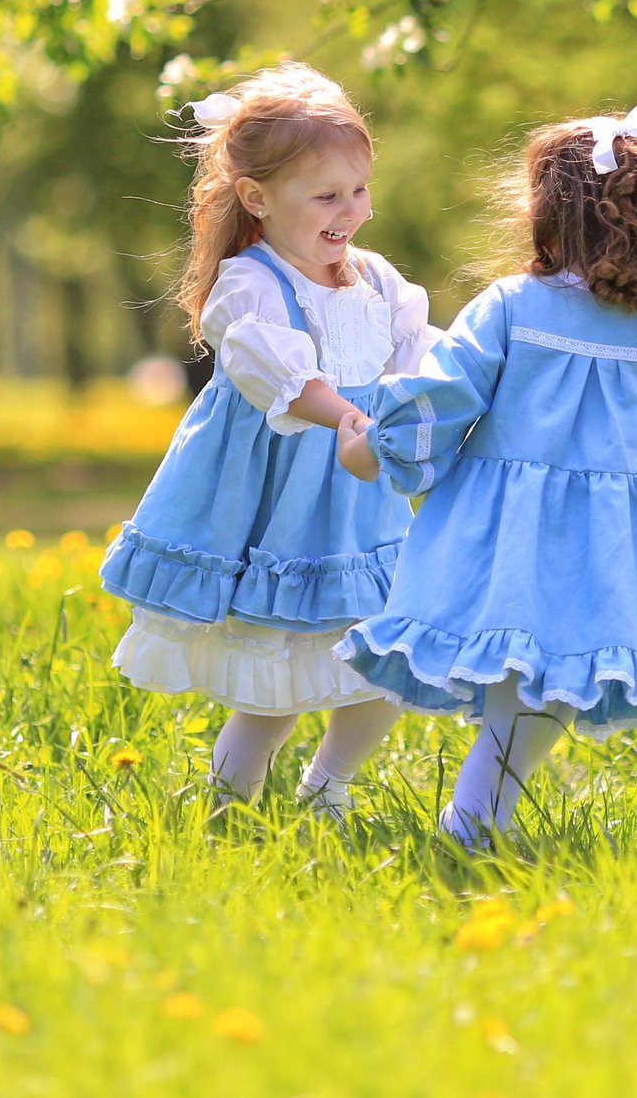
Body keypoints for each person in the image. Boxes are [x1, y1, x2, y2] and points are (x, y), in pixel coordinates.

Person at [336, 101, 637, 844]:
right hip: (610, 533)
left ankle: (470, 821)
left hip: (504, 522)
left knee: (516, 666)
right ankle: (475, 818)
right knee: (555, 678)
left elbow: (446, 395)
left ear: (547, 213)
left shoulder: (511, 303)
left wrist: (375, 444)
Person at [99, 63, 438, 814]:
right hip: (276, 503)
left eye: (358, 188)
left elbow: (420, 359)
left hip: (360, 502)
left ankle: (330, 785)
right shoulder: (251, 283)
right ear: (258, 197)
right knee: (274, 684)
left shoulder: (379, 282)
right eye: (326, 195)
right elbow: (273, 370)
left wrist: (429, 406)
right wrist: (345, 415)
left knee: (393, 654)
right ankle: (231, 808)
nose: (349, 209)